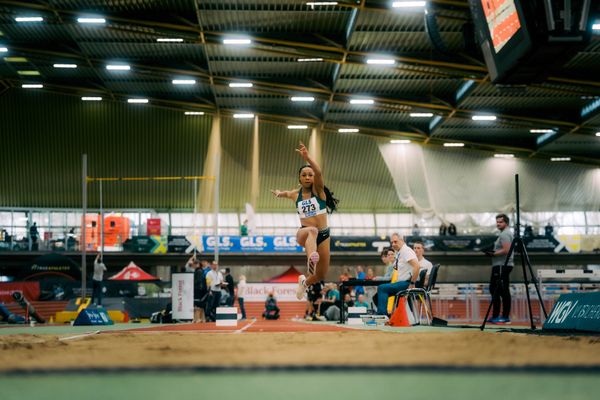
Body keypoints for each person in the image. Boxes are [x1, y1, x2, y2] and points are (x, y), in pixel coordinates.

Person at [271, 141, 339, 300]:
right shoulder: (296, 194)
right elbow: (287, 193)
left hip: (324, 235)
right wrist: (279, 193)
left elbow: (319, 172)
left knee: (320, 275)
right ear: (299, 179)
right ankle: (311, 259)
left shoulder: (319, 192)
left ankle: (304, 282)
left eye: (310, 174)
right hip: (304, 233)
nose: (308, 177)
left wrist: (307, 157)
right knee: (312, 231)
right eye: (304, 175)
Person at [376, 233, 420, 316]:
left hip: (407, 283)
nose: (393, 244)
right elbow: (397, 268)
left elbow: (417, 266)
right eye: (392, 242)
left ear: (402, 240)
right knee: (377, 295)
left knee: (382, 288)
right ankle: (387, 315)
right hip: (403, 282)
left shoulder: (406, 251)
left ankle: (382, 316)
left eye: (395, 242)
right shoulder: (400, 252)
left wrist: (412, 283)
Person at [484, 213, 514, 324]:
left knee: (501, 290)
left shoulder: (504, 234)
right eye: (497, 222)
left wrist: (493, 253)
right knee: (496, 290)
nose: (498, 223)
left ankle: (504, 317)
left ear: (506, 223)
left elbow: (507, 250)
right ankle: (497, 316)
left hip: (502, 265)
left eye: (500, 222)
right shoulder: (504, 234)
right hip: (501, 265)